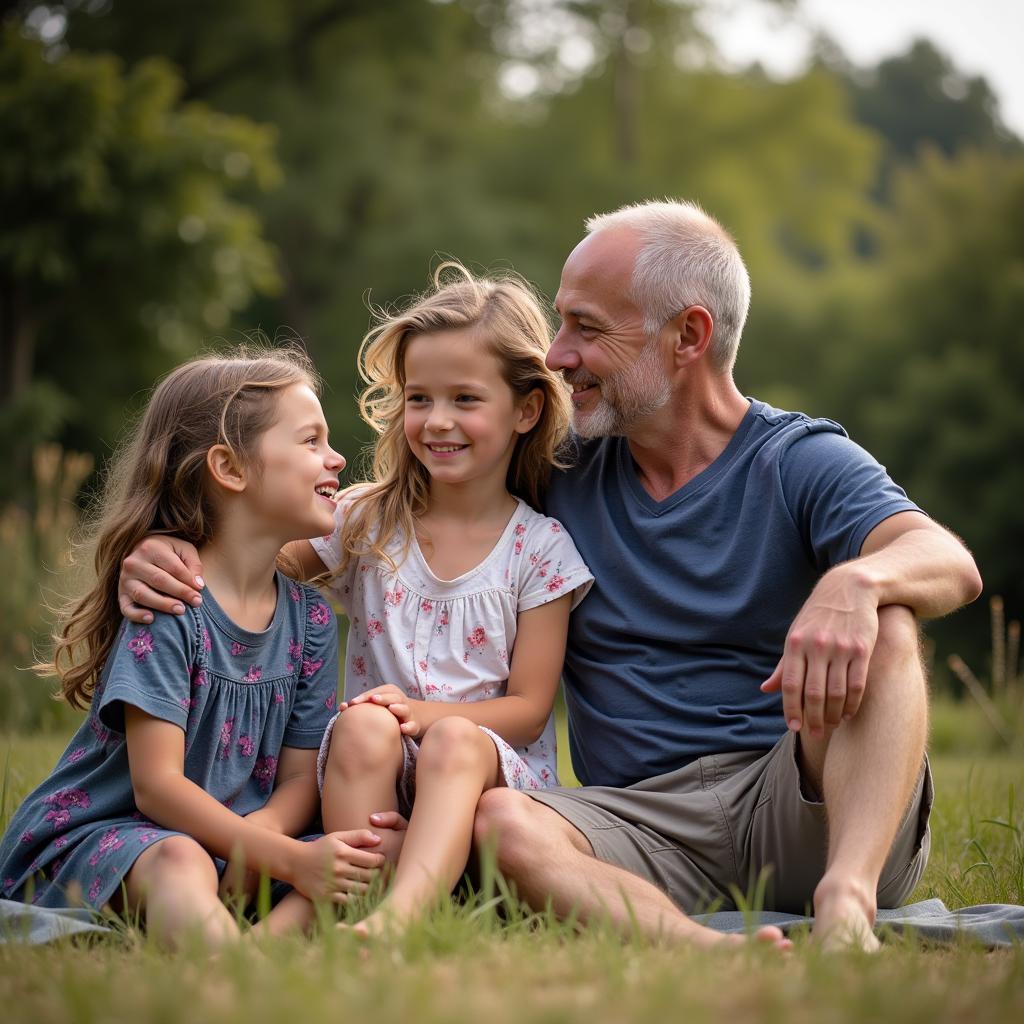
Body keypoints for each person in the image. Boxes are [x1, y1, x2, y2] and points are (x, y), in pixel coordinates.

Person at [119, 201, 982, 951]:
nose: (558, 354)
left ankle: (847, 901)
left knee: (893, 618)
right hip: (633, 821)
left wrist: (857, 584)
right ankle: (693, 945)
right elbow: (373, 514)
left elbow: (947, 561)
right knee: (502, 821)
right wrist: (174, 548)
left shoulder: (800, 461)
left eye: (586, 328)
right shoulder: (558, 465)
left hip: (796, 797)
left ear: (689, 336)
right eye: (561, 324)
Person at [122, 266, 596, 937]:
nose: (437, 421)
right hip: (370, 774)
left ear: (526, 409)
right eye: (419, 398)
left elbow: (526, 711)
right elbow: (248, 567)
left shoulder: (539, 549)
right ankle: (341, 896)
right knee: (363, 725)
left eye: (465, 399)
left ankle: (396, 921)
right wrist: (164, 555)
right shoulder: (367, 522)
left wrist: (422, 713)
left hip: (486, 777)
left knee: (451, 738)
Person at [0, 348, 387, 949]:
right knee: (182, 861)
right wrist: (277, 858)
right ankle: (232, 968)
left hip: (241, 842)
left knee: (368, 853)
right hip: (123, 835)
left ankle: (254, 950)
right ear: (230, 468)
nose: (336, 458)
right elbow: (155, 787)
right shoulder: (170, 604)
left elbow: (299, 779)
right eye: (311, 440)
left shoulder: (310, 618)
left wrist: (265, 842)